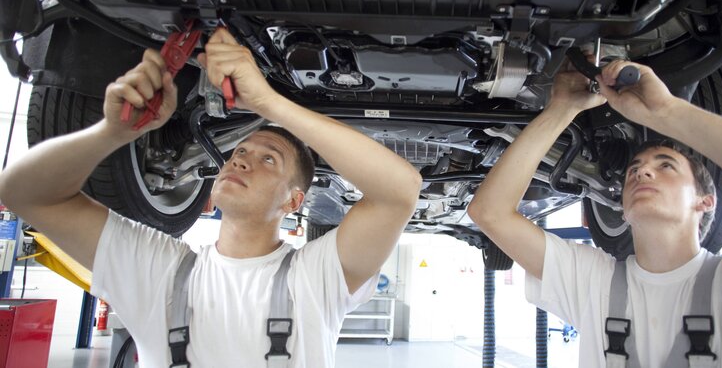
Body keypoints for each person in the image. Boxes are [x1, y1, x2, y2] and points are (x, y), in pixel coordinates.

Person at [0, 27, 422, 367]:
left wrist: (270, 102)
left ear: (294, 202)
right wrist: (111, 132)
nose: (240, 161)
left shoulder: (316, 278)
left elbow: (400, 191)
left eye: (268, 160)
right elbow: (23, 194)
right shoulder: (159, 269)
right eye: (239, 152)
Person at [467, 59, 722, 367]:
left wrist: (669, 112)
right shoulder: (593, 281)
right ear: (621, 210)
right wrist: (561, 108)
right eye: (635, 169)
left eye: (666, 166)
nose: (642, 171)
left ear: (706, 201)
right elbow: (491, 213)